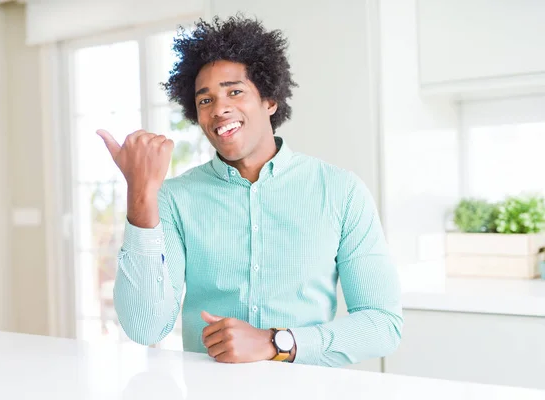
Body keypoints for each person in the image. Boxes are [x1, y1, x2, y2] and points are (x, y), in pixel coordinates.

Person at [96, 15, 402, 367]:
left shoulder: (340, 191)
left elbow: (383, 324)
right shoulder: (173, 199)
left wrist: (276, 343)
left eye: (234, 91)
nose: (220, 108)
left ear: (269, 100)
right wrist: (140, 196)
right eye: (205, 100)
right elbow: (145, 328)